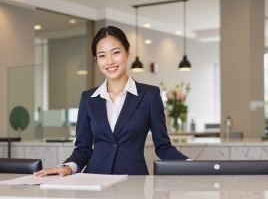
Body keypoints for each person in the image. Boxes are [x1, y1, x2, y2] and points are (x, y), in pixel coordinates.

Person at [34, 26, 189, 177]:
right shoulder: (88, 98)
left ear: (127, 52)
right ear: (96, 59)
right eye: (102, 56)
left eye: (115, 53)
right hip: (94, 181)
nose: (109, 61)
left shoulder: (149, 95)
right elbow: (83, 149)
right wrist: (67, 167)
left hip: (133, 181)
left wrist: (191, 165)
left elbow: (163, 147)